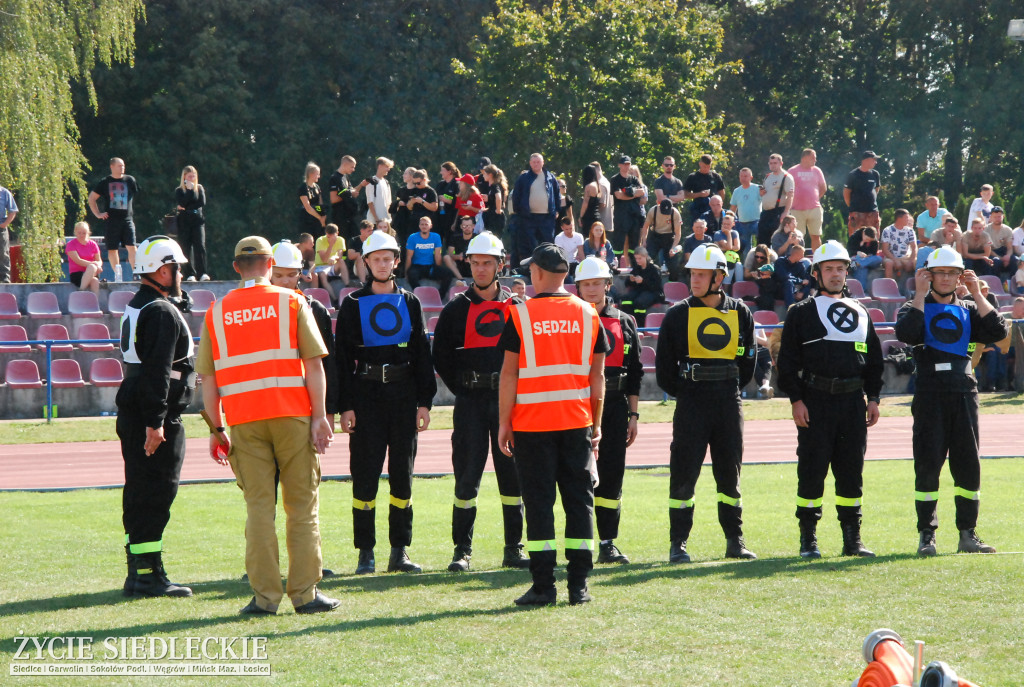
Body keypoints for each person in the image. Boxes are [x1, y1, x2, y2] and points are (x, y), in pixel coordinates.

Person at [198, 236, 337, 615]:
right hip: (293, 417)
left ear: (235, 267)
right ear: (271, 263)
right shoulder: (292, 302)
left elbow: (207, 380)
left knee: (259, 509)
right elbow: (313, 364)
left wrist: (216, 430)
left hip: (243, 422)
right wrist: (320, 416)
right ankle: (305, 595)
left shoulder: (216, 312)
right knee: (302, 507)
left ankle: (264, 599)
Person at [497, 243, 608, 606]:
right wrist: (597, 424)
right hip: (577, 424)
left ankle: (544, 586)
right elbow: (598, 377)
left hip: (531, 425)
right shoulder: (589, 314)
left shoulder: (520, 316)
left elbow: (509, 374)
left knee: (539, 505)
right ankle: (580, 586)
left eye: (531, 269)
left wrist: (503, 422)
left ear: (540, 273)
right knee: (580, 503)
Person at [895, 246, 1009, 556]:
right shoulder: (912, 306)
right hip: (930, 391)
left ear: (959, 276)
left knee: (968, 465)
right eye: (940, 273)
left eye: (952, 273)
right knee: (928, 465)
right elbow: (906, 333)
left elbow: (998, 331)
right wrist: (919, 295)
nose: (946, 278)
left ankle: (967, 534)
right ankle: (926, 536)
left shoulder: (970, 308)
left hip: (963, 390)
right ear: (928, 275)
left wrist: (976, 292)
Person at [336, 231, 436, 575]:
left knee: (402, 477)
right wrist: (344, 406)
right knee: (364, 475)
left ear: (396, 261)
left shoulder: (410, 302)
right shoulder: (350, 305)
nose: (382, 263)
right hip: (365, 397)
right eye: (375, 258)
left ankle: (399, 551)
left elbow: (423, 354)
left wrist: (425, 401)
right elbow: (341, 360)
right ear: (365, 262)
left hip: (404, 395)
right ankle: (366, 552)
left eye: (387, 258)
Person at [777, 241, 884, 559]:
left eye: (840, 268)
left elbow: (875, 361)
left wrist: (874, 397)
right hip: (815, 401)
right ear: (816, 273)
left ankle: (852, 539)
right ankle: (808, 539)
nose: (836, 274)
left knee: (851, 471)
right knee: (811, 470)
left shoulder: (862, 312)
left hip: (853, 403)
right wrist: (796, 400)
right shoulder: (800, 313)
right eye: (829, 269)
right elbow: (786, 363)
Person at [432, 232, 529, 572]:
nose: (482, 269)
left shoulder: (518, 309)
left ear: (500, 265)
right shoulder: (455, 310)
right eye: (476, 263)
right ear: (468, 264)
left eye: (488, 263)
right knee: (466, 478)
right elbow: (441, 356)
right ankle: (462, 551)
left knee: (513, 477)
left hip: (508, 403)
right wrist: (464, 386)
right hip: (471, 401)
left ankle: (513, 548)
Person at [656, 245, 758, 563]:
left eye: (701, 275)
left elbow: (748, 362)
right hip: (691, 404)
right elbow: (663, 370)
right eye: (692, 274)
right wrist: (689, 391)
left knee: (730, 475)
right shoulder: (676, 315)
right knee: (684, 474)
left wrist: (726, 387)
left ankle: (734, 540)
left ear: (719, 277)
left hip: (728, 402)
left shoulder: (740, 312)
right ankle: (678, 543)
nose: (695, 280)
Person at [117, 236, 195, 598]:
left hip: (134, 403)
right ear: (164, 270)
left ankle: (140, 571)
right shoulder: (161, 311)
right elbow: (160, 370)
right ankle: (148, 575)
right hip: (152, 412)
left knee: (139, 490)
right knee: (156, 492)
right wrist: (156, 421)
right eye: (177, 268)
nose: (181, 274)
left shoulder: (142, 303)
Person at [574, 257, 642, 564]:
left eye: (596, 283)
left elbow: (636, 371)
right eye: (585, 284)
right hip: (577, 407)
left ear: (607, 285)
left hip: (615, 407)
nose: (591, 289)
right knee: (577, 476)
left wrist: (634, 415)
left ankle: (607, 543)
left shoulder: (625, 321)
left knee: (612, 476)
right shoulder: (571, 321)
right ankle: (580, 542)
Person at [270, 240, 339, 430]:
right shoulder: (256, 311)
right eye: (279, 275)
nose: (285, 281)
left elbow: (328, 363)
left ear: (300, 273)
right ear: (268, 273)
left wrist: (328, 411)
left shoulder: (315, 309)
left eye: (291, 274)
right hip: (268, 407)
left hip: (306, 405)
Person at [88, 157, 139, 282]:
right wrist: (98, 214)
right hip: (111, 221)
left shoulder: (130, 180)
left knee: (131, 246)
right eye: (119, 166)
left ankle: (136, 273)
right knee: (112, 248)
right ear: (112, 167)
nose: (122, 168)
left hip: (127, 219)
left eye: (123, 166)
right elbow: (91, 198)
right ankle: (118, 274)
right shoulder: (105, 182)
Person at [512, 153, 561, 261]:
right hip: (528, 217)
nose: (536, 164)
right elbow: (516, 195)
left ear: (543, 162)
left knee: (547, 244)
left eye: (538, 162)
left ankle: (547, 265)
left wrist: (557, 210)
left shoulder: (550, 177)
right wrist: (518, 211)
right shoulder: (523, 178)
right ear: (530, 163)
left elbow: (557, 194)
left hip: (547, 217)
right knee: (529, 244)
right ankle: (530, 267)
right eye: (534, 162)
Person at [788, 149, 828, 250]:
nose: (815, 160)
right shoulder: (792, 171)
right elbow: (787, 189)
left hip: (814, 208)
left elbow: (823, 188)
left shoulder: (817, 170)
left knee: (816, 236)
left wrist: (814, 198)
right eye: (813, 158)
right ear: (805, 158)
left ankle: (817, 260)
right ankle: (798, 260)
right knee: (797, 237)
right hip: (796, 209)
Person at [609, 155, 646, 263]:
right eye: (624, 164)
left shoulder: (633, 179)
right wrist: (633, 193)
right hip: (621, 216)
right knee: (618, 242)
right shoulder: (615, 179)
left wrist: (629, 192)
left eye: (628, 164)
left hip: (634, 215)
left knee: (634, 243)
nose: (626, 166)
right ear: (619, 165)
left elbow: (642, 192)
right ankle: (615, 264)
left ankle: (634, 265)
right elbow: (618, 195)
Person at [174, 165, 209, 281]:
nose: (192, 178)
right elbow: (182, 203)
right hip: (184, 222)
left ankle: (202, 273)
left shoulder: (199, 188)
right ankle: (190, 274)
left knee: (200, 246)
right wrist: (188, 191)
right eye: (189, 176)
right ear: (184, 177)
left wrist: (188, 206)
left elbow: (201, 202)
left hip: (197, 221)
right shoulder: (179, 190)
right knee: (185, 248)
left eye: (194, 176)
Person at [405, 216, 451, 295]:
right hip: (417, 267)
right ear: (419, 226)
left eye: (426, 224)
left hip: (430, 267)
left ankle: (439, 296)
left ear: (431, 226)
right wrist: (406, 273)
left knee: (448, 274)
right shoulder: (412, 237)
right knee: (411, 275)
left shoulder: (436, 237)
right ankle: (420, 296)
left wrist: (438, 269)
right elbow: (409, 257)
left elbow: (437, 255)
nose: (424, 226)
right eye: (422, 224)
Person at [756, 154, 795, 247]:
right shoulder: (768, 177)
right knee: (762, 241)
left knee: (776, 240)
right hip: (766, 213)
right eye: (771, 163)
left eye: (775, 163)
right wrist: (761, 192)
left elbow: (790, 195)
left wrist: (786, 212)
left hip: (778, 212)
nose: (773, 165)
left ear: (781, 163)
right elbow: (765, 192)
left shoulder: (786, 177)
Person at [642, 198, 684, 280]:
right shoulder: (653, 210)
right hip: (655, 237)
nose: (665, 214)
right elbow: (645, 227)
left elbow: (678, 234)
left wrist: (673, 247)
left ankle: (672, 285)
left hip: (669, 238)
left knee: (673, 265)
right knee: (646, 259)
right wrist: (644, 241)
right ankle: (646, 281)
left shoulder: (675, 213)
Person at [621, 247, 663, 326]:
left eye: (640, 258)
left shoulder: (654, 269)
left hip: (653, 293)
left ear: (646, 256)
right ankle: (628, 323)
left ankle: (640, 327)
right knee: (625, 299)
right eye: (636, 258)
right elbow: (627, 283)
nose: (637, 261)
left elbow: (657, 286)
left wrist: (643, 281)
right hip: (640, 291)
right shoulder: (637, 268)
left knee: (640, 303)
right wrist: (631, 280)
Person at [328, 155, 368, 240]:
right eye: (352, 167)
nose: (353, 169)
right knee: (343, 239)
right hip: (340, 215)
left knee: (355, 237)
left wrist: (361, 185)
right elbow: (333, 199)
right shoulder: (334, 178)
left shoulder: (346, 177)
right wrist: (349, 193)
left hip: (350, 214)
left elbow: (352, 192)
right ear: (345, 164)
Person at [843, 151, 882, 236]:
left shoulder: (875, 174)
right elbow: (846, 193)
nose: (876, 162)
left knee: (873, 237)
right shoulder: (853, 175)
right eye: (874, 160)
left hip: (872, 212)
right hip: (857, 212)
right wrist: (853, 207)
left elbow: (876, 189)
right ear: (866, 160)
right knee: (855, 237)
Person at [683, 153, 726, 224]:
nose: (706, 168)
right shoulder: (692, 177)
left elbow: (722, 193)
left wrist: (718, 204)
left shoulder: (716, 176)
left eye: (708, 167)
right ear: (700, 164)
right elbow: (685, 194)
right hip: (698, 207)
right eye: (704, 166)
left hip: (713, 209)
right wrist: (699, 194)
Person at [729, 167, 761, 258]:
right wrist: (730, 220)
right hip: (742, 223)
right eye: (741, 176)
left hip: (756, 222)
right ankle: (747, 269)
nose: (743, 178)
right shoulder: (737, 191)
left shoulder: (757, 188)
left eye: (746, 176)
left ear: (751, 177)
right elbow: (733, 208)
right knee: (746, 251)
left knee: (761, 246)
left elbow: (766, 202)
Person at [312, 223, 349, 299]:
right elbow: (324, 259)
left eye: (332, 237)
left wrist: (334, 258)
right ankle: (334, 299)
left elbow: (340, 255)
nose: (330, 239)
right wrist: (331, 245)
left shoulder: (340, 239)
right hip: (321, 266)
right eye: (328, 237)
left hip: (333, 266)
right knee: (322, 275)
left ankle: (347, 285)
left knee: (341, 261)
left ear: (337, 233)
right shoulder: (320, 240)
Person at [66, 221, 103, 294]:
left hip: (93, 272)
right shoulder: (71, 244)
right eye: (79, 233)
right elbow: (78, 261)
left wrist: (98, 265)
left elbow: (99, 260)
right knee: (92, 268)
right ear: (75, 232)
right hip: (77, 273)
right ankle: (81, 291)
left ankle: (95, 304)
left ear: (88, 233)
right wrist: (93, 264)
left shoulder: (93, 244)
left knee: (95, 281)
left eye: (84, 233)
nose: (81, 235)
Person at [881, 209, 917, 281]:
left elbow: (914, 247)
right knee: (889, 263)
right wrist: (895, 260)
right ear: (899, 218)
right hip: (891, 257)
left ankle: (917, 287)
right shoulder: (887, 230)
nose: (908, 219)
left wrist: (910, 261)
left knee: (917, 263)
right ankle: (889, 287)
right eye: (906, 217)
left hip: (906, 257)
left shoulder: (910, 231)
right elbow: (885, 249)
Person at [744, 244, 781, 312]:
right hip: (759, 282)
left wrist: (761, 276)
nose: (759, 259)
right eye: (757, 257)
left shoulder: (773, 258)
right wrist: (753, 275)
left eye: (761, 257)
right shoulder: (751, 255)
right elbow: (746, 275)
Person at [985, 206, 1017, 283]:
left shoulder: (1008, 229)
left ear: (1003, 216)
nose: (997, 218)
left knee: (1015, 260)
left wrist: (1008, 256)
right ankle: (995, 283)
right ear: (991, 217)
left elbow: (1009, 248)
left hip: (1004, 250)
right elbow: (987, 249)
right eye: (995, 217)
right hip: (992, 252)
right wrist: (1000, 258)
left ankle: (1013, 283)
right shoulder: (986, 230)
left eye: (999, 216)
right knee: (996, 261)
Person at [443, 215, 477, 282]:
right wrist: (458, 256)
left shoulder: (477, 238)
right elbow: (450, 254)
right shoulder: (455, 237)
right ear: (461, 226)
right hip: (459, 266)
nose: (467, 228)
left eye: (469, 226)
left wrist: (471, 258)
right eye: (464, 226)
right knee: (446, 257)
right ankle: (461, 279)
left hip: (474, 265)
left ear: (473, 226)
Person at [714, 211, 743, 290]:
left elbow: (737, 247)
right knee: (729, 264)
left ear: (733, 224)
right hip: (721, 259)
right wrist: (728, 234)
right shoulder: (718, 234)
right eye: (724, 224)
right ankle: (726, 290)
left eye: (728, 224)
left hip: (732, 258)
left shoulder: (735, 233)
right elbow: (729, 247)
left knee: (739, 266)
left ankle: (739, 289)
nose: (726, 226)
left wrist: (727, 247)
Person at [298, 162, 327, 240]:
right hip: (307, 220)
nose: (319, 176)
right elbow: (307, 207)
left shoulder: (317, 187)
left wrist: (323, 217)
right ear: (311, 174)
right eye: (317, 174)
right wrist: (319, 217)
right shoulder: (303, 187)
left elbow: (320, 204)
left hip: (318, 220)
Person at [364, 157, 395, 224]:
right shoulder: (371, 181)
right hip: (374, 222)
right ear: (380, 166)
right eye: (387, 167)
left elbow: (389, 203)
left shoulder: (386, 182)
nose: (388, 169)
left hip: (386, 222)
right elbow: (370, 202)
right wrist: (377, 219)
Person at [481, 164, 508, 235]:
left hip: (495, 219)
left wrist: (498, 210)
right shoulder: (491, 187)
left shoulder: (495, 186)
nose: (483, 175)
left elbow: (499, 198)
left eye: (484, 174)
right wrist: (488, 199)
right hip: (491, 216)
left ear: (490, 175)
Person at [436, 161, 461, 236]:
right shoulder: (441, 184)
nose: (441, 172)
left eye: (442, 170)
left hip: (451, 216)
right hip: (440, 215)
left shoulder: (457, 184)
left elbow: (457, 200)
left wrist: (447, 199)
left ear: (449, 172)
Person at [578, 164, 603, 237]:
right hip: (597, 215)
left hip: (589, 217)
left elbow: (585, 203)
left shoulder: (589, 187)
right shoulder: (598, 185)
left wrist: (581, 217)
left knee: (588, 239)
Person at [0, 178, 17, 283]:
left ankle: (5, 280)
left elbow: (13, 210)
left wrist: (4, 224)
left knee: (3, 253)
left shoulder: (4, 193)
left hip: (0, 228)